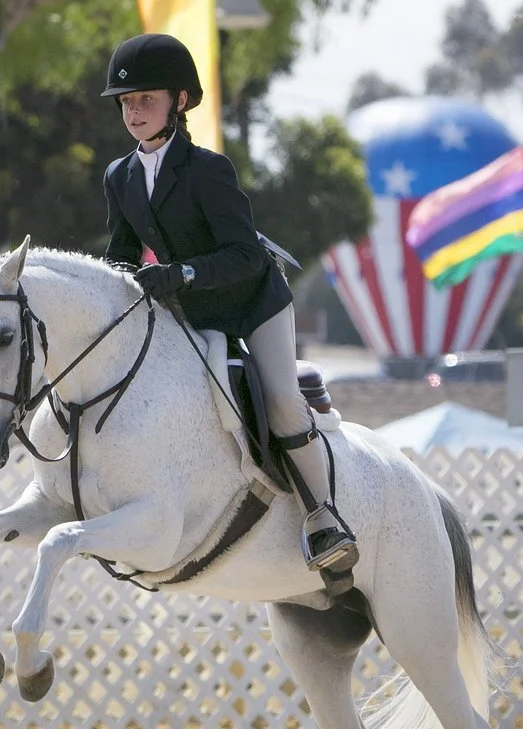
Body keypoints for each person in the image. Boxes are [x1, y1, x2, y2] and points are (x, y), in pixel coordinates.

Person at [100, 33, 359, 579]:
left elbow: (244, 254)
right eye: (127, 102)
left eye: (147, 99)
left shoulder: (209, 170)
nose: (134, 111)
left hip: (252, 303)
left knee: (285, 403)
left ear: (181, 101)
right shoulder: (119, 177)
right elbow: (120, 259)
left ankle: (323, 518)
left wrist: (184, 272)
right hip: (191, 310)